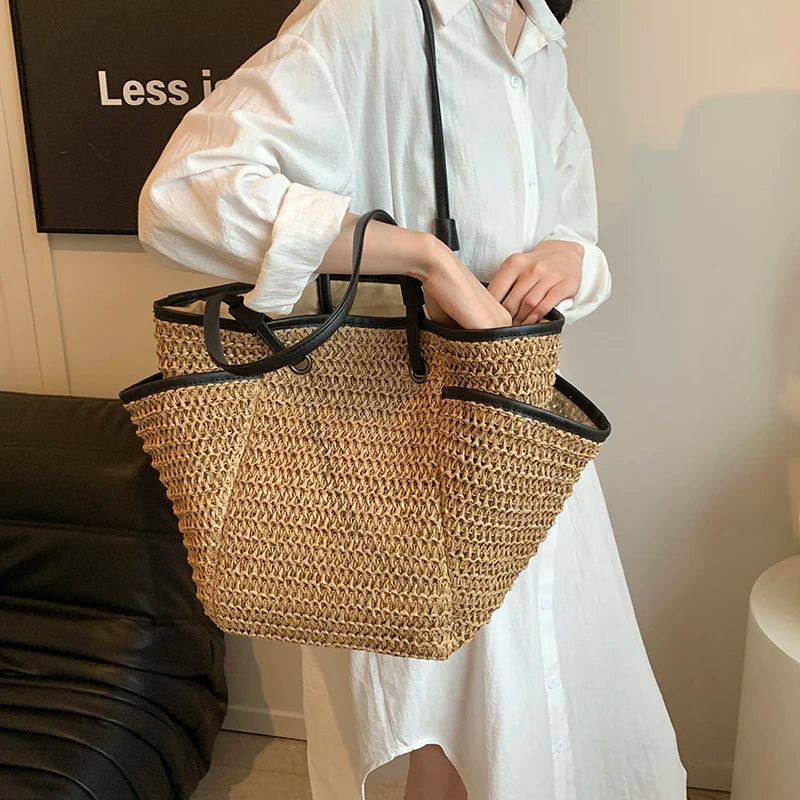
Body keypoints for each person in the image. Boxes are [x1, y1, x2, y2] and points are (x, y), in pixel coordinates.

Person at [137, 0, 690, 797]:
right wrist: (424, 258)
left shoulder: (540, 40)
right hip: (400, 450)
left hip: (519, 441)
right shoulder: (369, 16)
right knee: (460, 726)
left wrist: (571, 257)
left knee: (537, 712)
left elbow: (572, 223)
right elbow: (181, 196)